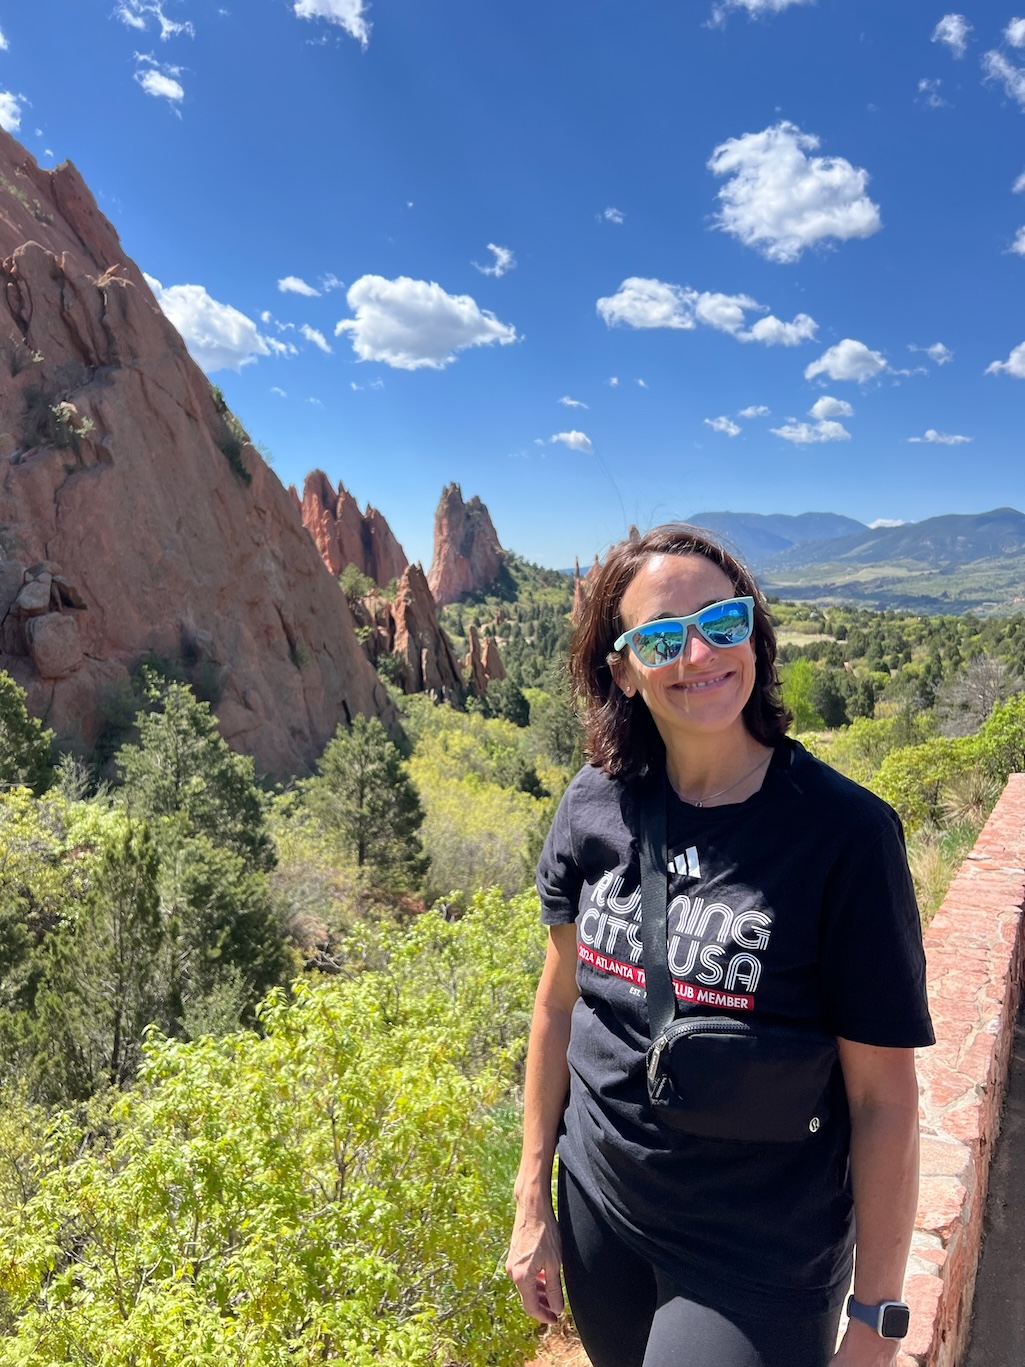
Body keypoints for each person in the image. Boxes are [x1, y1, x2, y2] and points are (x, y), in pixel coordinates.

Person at [505, 524, 933, 1367]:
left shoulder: (843, 835)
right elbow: (558, 1006)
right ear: (621, 670)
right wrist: (531, 1193)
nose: (698, 652)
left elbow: (884, 1098)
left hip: (758, 1253)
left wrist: (875, 1319)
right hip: (601, 1207)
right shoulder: (593, 804)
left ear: (755, 632)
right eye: (661, 636)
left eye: (721, 621)